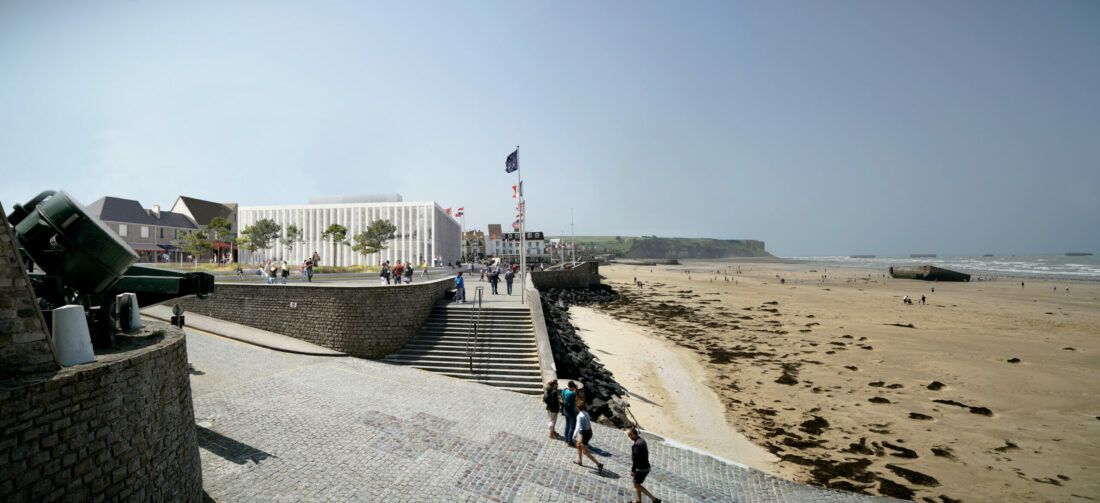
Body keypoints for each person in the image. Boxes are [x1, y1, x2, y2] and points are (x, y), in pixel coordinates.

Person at [627, 428, 660, 503]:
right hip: (646, 466)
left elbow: (635, 460)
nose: (629, 437)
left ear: (633, 434)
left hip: (641, 469)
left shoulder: (636, 446)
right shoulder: (642, 441)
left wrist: (633, 471)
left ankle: (654, 499)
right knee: (637, 483)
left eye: (630, 435)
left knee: (636, 485)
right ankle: (638, 501)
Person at [572, 403, 603, 473]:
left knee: (585, 452)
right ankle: (579, 460)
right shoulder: (586, 413)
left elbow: (578, 427)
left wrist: (574, 435)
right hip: (589, 431)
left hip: (585, 434)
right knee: (578, 444)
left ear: (577, 408)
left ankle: (599, 464)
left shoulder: (579, 416)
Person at [561, 381, 579, 447]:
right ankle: (570, 441)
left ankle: (566, 438)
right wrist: (575, 390)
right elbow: (576, 398)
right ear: (572, 386)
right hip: (571, 412)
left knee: (567, 424)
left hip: (565, 410)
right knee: (572, 427)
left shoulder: (564, 390)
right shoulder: (572, 394)